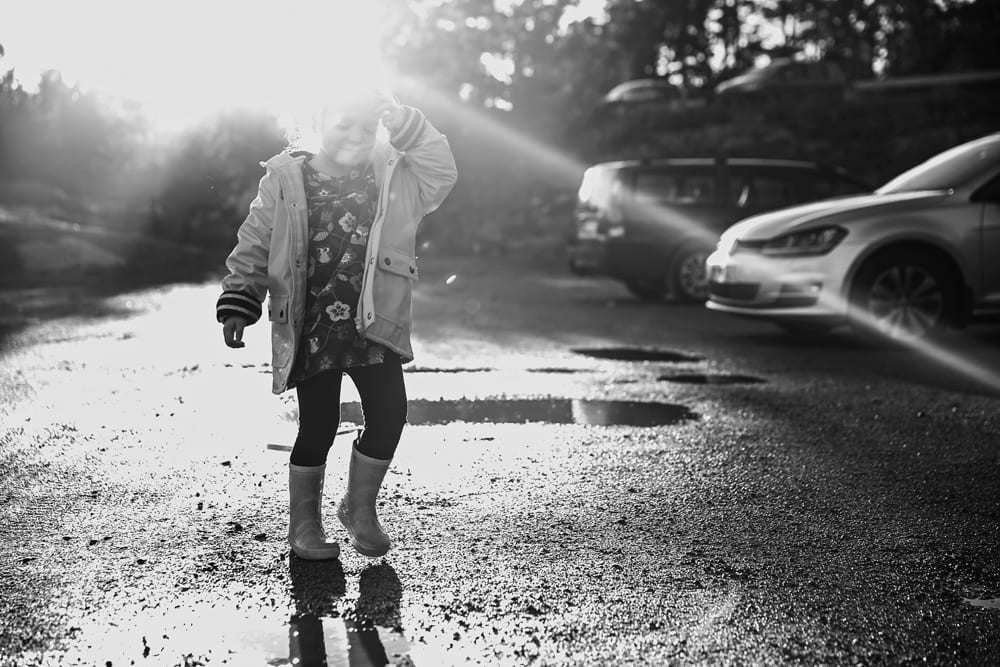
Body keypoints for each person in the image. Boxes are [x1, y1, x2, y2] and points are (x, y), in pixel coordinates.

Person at [216, 88, 457, 560]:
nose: (355, 136)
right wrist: (241, 298)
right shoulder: (286, 178)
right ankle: (304, 525)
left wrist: (408, 125)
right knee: (318, 426)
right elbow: (257, 241)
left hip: (374, 319)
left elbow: (442, 171)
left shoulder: (393, 173)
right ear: (319, 122)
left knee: (390, 416)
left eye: (367, 127)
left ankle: (359, 509)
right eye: (343, 124)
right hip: (313, 324)